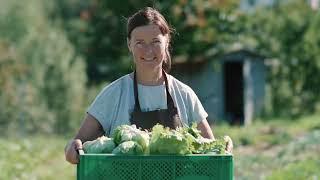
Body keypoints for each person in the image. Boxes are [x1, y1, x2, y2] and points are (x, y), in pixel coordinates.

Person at [65, 7, 232, 164]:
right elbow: (77, 145)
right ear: (129, 44)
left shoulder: (184, 94)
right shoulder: (114, 94)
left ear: (167, 41)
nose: (148, 51)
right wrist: (72, 149)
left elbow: (210, 150)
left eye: (155, 42)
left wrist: (223, 147)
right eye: (139, 43)